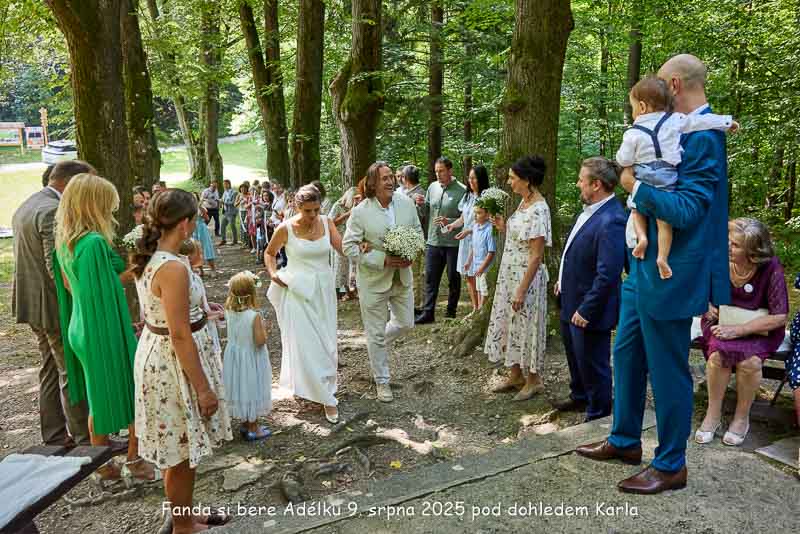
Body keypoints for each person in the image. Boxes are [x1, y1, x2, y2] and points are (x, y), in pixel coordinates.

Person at [577, 54, 732, 495]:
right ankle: (625, 439)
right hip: (641, 268)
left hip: (672, 273)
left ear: (675, 85)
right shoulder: (672, 129)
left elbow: (688, 210)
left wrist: (634, 186)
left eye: (662, 85)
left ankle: (670, 464)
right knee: (625, 353)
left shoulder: (704, 137)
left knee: (667, 369)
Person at [130, 189, 232, 531]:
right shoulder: (171, 267)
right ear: (185, 224)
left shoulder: (158, 256)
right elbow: (179, 334)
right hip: (172, 364)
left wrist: (203, 312)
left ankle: (183, 513)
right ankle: (184, 527)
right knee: (181, 452)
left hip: (161, 354)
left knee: (179, 446)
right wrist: (203, 389)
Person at [52, 173, 155, 481]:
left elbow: (72, 287)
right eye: (108, 205)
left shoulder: (67, 242)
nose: (112, 211)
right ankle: (135, 460)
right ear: (93, 205)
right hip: (100, 327)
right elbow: (106, 291)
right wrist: (142, 267)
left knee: (97, 397)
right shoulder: (94, 243)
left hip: (81, 325)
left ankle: (102, 465)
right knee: (133, 387)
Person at [617, 76, 736, 280]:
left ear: (642, 107)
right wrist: (726, 122)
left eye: (633, 107)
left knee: (636, 209)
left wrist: (625, 167)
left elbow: (624, 158)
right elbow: (699, 122)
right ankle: (662, 257)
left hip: (643, 174)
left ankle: (642, 238)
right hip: (667, 175)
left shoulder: (633, 133)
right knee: (665, 221)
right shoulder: (674, 120)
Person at [12, 160, 93, 447]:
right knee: (70, 370)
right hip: (52, 305)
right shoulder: (52, 210)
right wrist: (83, 300)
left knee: (49, 368)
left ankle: (55, 436)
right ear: (71, 183)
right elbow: (55, 268)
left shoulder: (29, 203)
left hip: (32, 303)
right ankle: (86, 438)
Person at [695, 218, 788, 446]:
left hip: (759, 329)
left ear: (753, 253)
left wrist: (739, 330)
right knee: (718, 357)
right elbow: (698, 288)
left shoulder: (771, 268)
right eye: (728, 240)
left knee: (750, 363)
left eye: (735, 245)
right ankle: (713, 414)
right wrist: (705, 305)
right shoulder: (718, 259)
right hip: (720, 322)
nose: (727, 246)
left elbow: (779, 317)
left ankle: (741, 417)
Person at [344, 161, 425, 403]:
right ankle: (382, 381)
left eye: (392, 177)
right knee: (375, 332)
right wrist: (382, 259)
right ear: (372, 183)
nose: (390, 181)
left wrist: (412, 252)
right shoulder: (360, 211)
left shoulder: (406, 203)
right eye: (384, 178)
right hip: (373, 280)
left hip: (403, 276)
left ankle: (375, 342)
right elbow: (349, 246)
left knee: (406, 323)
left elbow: (418, 232)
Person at [553, 157, 627, 422]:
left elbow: (608, 273)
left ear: (596, 184)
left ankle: (598, 414)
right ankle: (580, 396)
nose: (577, 184)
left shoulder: (613, 219)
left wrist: (587, 309)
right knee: (575, 357)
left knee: (594, 363)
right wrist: (562, 280)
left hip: (590, 308)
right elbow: (575, 253)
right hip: (569, 297)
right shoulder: (587, 212)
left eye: (581, 180)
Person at [265, 184, 343, 423]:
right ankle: (326, 398)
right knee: (307, 342)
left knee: (326, 341)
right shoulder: (286, 228)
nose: (313, 215)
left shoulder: (327, 223)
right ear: (298, 207)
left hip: (323, 289)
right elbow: (269, 253)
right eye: (308, 211)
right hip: (297, 290)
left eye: (316, 210)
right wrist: (273, 274)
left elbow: (344, 248)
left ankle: (323, 384)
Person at [484, 156, 551, 401]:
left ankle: (534, 380)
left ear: (527, 180)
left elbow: (536, 255)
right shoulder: (524, 202)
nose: (508, 182)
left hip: (526, 278)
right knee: (510, 323)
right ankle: (515, 374)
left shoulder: (539, 209)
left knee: (527, 325)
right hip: (509, 274)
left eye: (513, 178)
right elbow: (520, 236)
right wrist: (504, 226)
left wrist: (522, 290)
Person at [414, 157, 467, 323]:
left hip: (453, 243)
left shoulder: (462, 190)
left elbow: (467, 217)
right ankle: (428, 313)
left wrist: (448, 221)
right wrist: (420, 205)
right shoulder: (432, 187)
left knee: (453, 278)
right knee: (430, 278)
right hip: (433, 241)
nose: (438, 174)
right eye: (436, 171)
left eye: (441, 171)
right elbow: (426, 212)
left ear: (450, 171)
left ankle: (451, 312)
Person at [223, 271, 273, 441]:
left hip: (235, 359)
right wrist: (265, 330)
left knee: (240, 387)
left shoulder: (229, 311)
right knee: (252, 388)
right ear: (252, 293)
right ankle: (254, 428)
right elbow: (259, 341)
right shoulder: (253, 316)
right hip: (251, 358)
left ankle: (245, 423)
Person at [445, 165, 490, 315]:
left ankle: (481, 310)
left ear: (481, 179)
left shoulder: (487, 197)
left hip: (480, 240)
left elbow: (487, 222)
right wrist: (452, 225)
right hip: (465, 241)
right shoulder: (467, 196)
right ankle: (474, 308)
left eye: (474, 178)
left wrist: (469, 231)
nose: (471, 181)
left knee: (479, 275)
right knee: (468, 275)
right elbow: (463, 218)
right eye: (469, 178)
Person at [329, 187, 363, 301]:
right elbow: (330, 222)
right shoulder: (338, 205)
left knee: (352, 267)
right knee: (341, 267)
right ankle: (342, 291)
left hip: (352, 239)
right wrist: (347, 214)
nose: (356, 201)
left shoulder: (358, 206)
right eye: (354, 198)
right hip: (338, 239)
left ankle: (352, 290)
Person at [402, 165, 427, 309]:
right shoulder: (408, 193)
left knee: (414, 273)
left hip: (414, 238)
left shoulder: (419, 195)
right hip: (410, 238)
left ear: (405, 178)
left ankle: (416, 305)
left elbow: (421, 216)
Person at [463, 202, 496, 311]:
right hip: (476, 266)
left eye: (479, 213)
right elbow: (474, 246)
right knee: (478, 288)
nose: (475, 215)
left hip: (485, 267)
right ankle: (478, 310)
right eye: (475, 213)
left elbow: (491, 252)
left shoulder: (489, 229)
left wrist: (482, 268)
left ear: (487, 215)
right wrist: (468, 261)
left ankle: (482, 310)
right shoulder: (475, 227)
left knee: (484, 289)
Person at [192, 193, 217, 275]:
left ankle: (213, 269)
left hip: (202, 228)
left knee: (206, 247)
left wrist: (201, 209)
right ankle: (201, 270)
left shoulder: (201, 208)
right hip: (193, 229)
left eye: (194, 198)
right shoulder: (188, 209)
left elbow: (207, 219)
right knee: (195, 249)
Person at [219, 179, 239, 246]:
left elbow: (233, 202)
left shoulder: (234, 192)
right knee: (222, 225)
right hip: (225, 212)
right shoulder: (225, 192)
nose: (224, 185)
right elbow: (222, 199)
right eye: (223, 184)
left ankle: (235, 240)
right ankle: (223, 240)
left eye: (225, 184)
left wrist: (224, 202)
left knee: (232, 226)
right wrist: (220, 202)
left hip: (232, 212)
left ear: (229, 184)